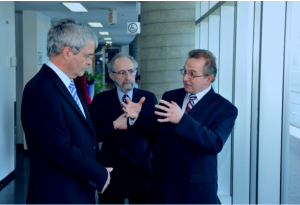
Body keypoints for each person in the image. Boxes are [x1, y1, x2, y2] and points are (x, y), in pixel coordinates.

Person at [118, 49, 238, 204]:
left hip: (195, 190)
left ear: (209, 78)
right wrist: (135, 118)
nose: (185, 78)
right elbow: (154, 131)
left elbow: (214, 143)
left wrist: (182, 119)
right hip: (163, 185)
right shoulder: (171, 96)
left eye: (192, 74)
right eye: (184, 71)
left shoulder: (225, 108)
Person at [21, 18, 112, 204]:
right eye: (88, 56)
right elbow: (60, 148)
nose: (89, 62)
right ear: (67, 52)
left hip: (76, 188)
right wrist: (99, 174)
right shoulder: (41, 90)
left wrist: (99, 168)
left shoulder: (69, 83)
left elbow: (86, 132)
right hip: (58, 194)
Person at [90, 53, 158, 204]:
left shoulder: (148, 98)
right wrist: (113, 125)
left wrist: (155, 165)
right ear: (112, 76)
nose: (128, 76)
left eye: (131, 71)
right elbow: (91, 136)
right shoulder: (101, 100)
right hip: (112, 168)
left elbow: (156, 134)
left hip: (143, 168)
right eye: (122, 72)